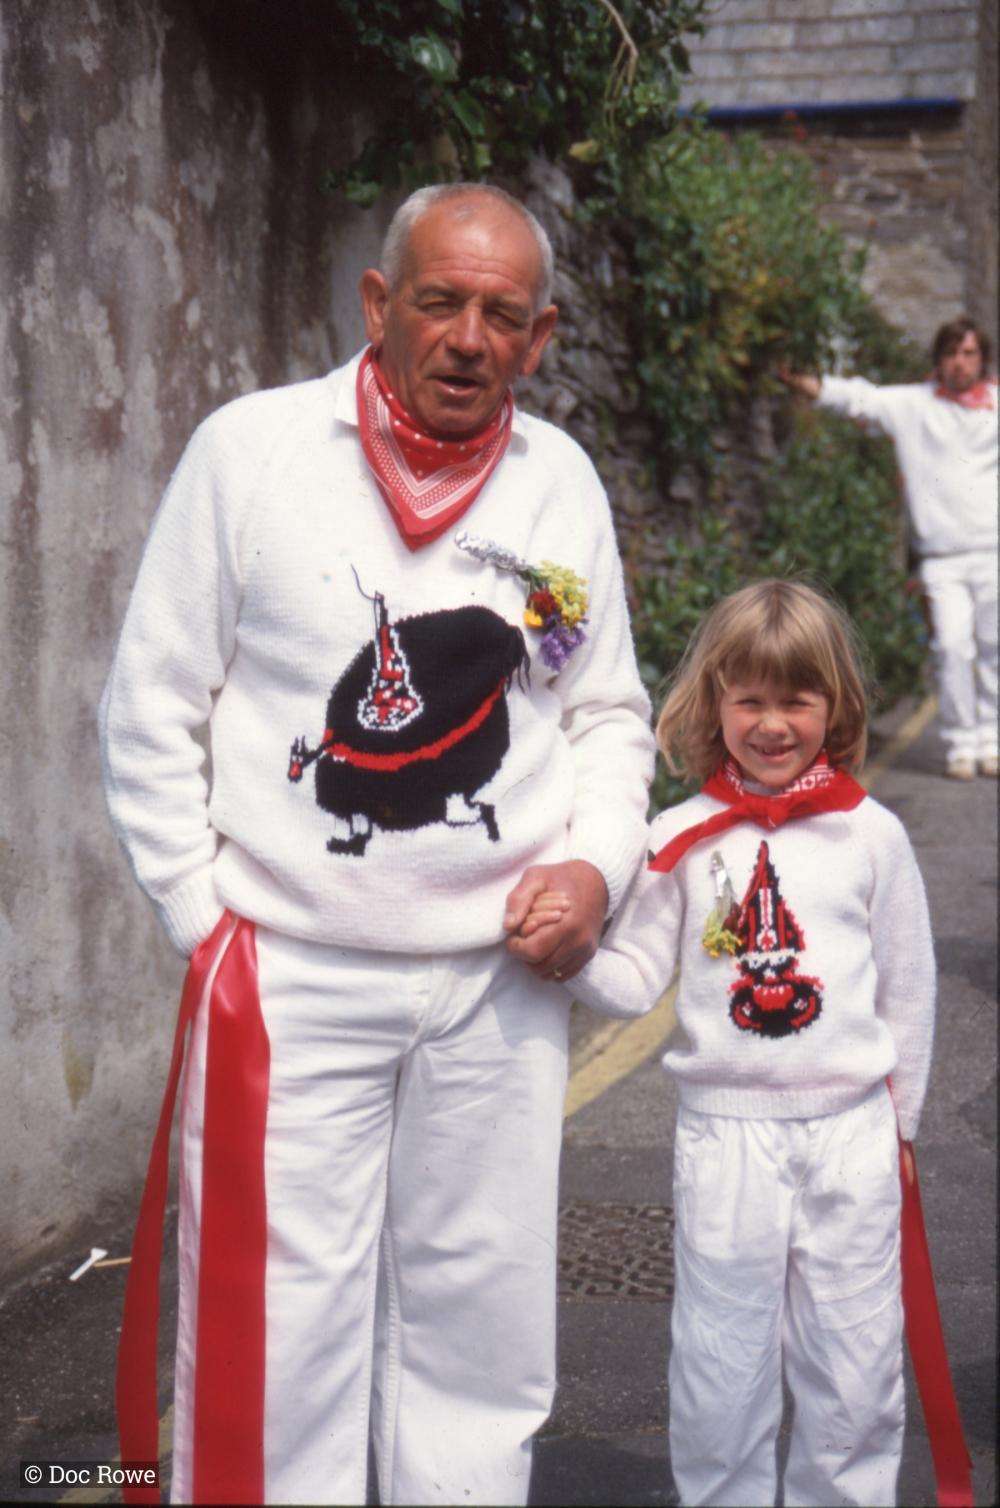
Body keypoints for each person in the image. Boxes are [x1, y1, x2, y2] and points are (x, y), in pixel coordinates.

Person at [98, 182, 654, 1505]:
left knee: (483, 1338)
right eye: (439, 301)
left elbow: (609, 715)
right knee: (274, 1334)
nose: (466, 336)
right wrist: (203, 919)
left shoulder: (559, 483)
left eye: (500, 314)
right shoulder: (252, 454)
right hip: (292, 981)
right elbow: (151, 705)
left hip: (499, 990)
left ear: (540, 335)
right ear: (377, 303)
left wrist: (597, 867)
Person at [515, 579, 936, 1507]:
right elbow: (631, 983)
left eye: (798, 699)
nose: (773, 723)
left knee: (855, 1358)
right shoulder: (680, 840)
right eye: (749, 698)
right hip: (724, 1137)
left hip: (852, 1135)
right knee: (720, 1359)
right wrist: (571, 953)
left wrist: (893, 1133)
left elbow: (908, 993)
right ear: (713, 703)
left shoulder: (874, 837)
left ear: (838, 706)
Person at [777, 317, 998, 781]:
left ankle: (991, 739)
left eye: (969, 353)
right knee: (953, 647)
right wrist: (804, 383)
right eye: (952, 353)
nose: (960, 363)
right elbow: (861, 397)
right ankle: (961, 743)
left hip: (993, 551)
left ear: (982, 359)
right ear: (939, 360)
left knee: (994, 646)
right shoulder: (915, 405)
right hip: (942, 556)